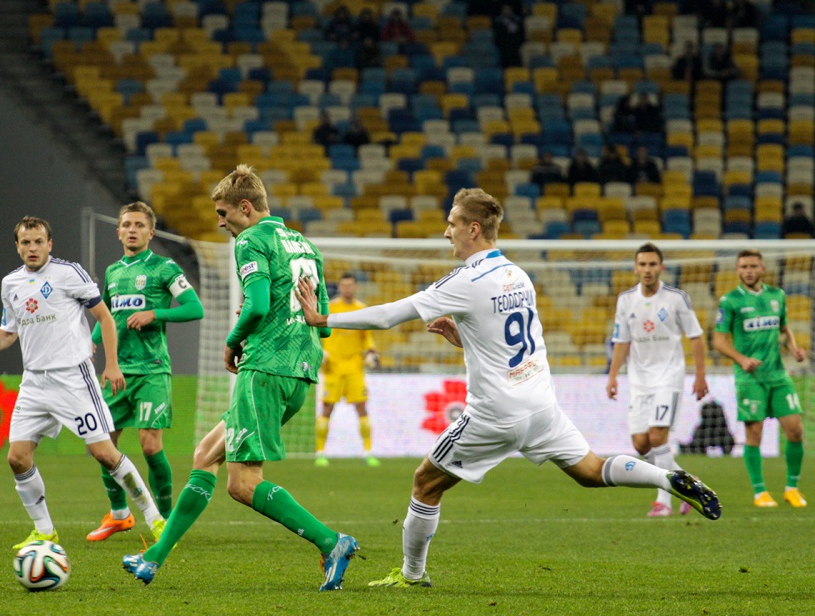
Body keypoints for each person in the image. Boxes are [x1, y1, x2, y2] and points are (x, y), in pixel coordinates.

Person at [295, 188, 721, 588]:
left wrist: (322, 319)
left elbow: (390, 315)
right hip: (541, 405)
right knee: (592, 471)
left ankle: (412, 574)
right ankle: (668, 477)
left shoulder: (465, 280)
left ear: (472, 229)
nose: (446, 232)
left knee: (425, 482)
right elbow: (510, 340)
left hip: (495, 413)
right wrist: (463, 339)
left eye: (452, 224)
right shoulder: (518, 275)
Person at [121, 165, 359, 591]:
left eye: (223, 213)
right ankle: (153, 558)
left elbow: (258, 306)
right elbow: (322, 325)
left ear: (245, 207)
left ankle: (331, 541)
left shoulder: (251, 240)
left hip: (264, 369)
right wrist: (273, 316)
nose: (220, 222)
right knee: (205, 454)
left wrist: (232, 342)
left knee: (243, 484)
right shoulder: (305, 245)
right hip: (301, 371)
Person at [0, 216, 164, 549]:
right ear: (17, 246)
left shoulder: (69, 273)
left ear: (50, 244)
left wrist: (112, 364)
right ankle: (44, 530)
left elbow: (105, 317)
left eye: (38, 241)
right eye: (25, 242)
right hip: (34, 383)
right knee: (17, 458)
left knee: (104, 453)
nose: (32, 248)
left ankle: (156, 520)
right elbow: (9, 330)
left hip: (73, 378)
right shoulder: (10, 283)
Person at [85, 202, 205, 542]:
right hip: (117, 371)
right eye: (127, 224)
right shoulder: (112, 272)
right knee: (103, 446)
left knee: (150, 446)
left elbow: (194, 308)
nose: (132, 230)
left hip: (152, 370)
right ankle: (118, 514)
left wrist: (156, 314)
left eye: (139, 225)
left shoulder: (164, 268)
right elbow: (107, 316)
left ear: (151, 232)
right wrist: (90, 343)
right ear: (118, 231)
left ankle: (166, 521)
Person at [606, 243, 709, 517]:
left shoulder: (677, 298)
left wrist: (700, 376)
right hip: (639, 381)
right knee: (641, 444)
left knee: (657, 436)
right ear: (635, 268)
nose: (647, 269)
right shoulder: (625, 300)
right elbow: (621, 341)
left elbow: (696, 337)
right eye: (642, 264)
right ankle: (688, 481)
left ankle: (664, 501)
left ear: (661, 268)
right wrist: (613, 376)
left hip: (668, 377)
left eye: (652, 264)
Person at [712, 250, 807, 508]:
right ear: (737, 270)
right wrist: (741, 359)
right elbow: (718, 340)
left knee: (795, 430)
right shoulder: (730, 301)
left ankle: (792, 488)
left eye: (753, 266)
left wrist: (793, 348)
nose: (748, 271)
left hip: (778, 375)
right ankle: (760, 492)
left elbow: (784, 328)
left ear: (762, 269)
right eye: (743, 267)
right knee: (754, 433)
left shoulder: (777, 295)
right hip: (749, 378)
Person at [315, 272, 380, 468]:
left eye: (350, 285)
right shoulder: (330, 308)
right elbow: (318, 333)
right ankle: (320, 453)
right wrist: (320, 351)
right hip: (332, 367)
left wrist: (371, 353)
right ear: (339, 287)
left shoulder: (362, 310)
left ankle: (368, 452)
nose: (347, 289)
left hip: (355, 368)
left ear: (355, 287)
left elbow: (367, 338)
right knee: (327, 408)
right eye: (344, 285)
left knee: (362, 407)